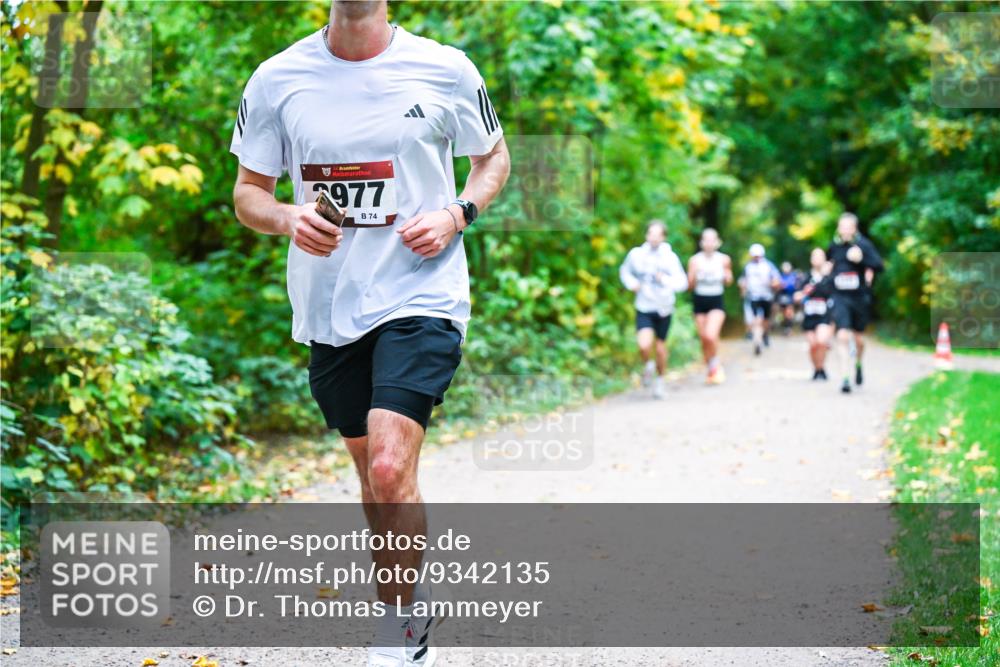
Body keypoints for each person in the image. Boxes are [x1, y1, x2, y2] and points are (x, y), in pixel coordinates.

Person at [230, 2, 511, 664]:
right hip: (329, 306)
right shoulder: (276, 77)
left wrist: (457, 212)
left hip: (422, 290)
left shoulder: (445, 69)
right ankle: (407, 582)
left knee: (389, 463)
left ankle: (400, 628)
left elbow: (493, 158)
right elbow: (248, 192)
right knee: (373, 472)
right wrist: (287, 218)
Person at [619, 220, 688, 399]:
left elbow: (682, 283)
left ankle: (660, 382)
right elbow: (624, 272)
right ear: (646, 235)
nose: (654, 238)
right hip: (644, 306)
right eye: (651, 234)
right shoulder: (636, 255)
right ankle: (648, 365)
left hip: (664, 307)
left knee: (660, 348)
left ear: (664, 237)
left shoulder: (670, 258)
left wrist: (664, 279)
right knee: (644, 345)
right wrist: (632, 284)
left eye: (658, 235)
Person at [827, 212, 883, 394]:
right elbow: (829, 267)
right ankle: (845, 378)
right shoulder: (833, 247)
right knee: (842, 336)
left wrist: (862, 259)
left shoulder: (863, 245)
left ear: (854, 228)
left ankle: (858, 364)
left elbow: (879, 265)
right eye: (841, 226)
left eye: (848, 227)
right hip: (840, 297)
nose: (844, 230)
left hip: (859, 298)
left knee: (859, 340)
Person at [687, 228, 733, 384]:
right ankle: (711, 369)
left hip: (716, 300)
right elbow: (689, 286)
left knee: (710, 335)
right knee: (703, 339)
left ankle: (715, 364)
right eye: (706, 240)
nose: (709, 243)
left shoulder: (724, 259)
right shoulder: (695, 260)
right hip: (699, 300)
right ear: (701, 242)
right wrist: (693, 276)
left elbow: (729, 281)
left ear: (717, 242)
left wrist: (727, 276)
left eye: (712, 240)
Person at [795, 248, 835, 380]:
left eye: (820, 256)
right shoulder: (805, 277)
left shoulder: (830, 277)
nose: (817, 259)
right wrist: (802, 294)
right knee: (813, 345)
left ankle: (822, 366)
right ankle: (817, 369)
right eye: (815, 256)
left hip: (825, 314)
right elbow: (796, 296)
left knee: (821, 341)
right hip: (809, 315)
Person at [738, 243, 781, 356]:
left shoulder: (769, 266)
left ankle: (765, 334)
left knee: (765, 320)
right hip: (753, 296)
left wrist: (774, 284)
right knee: (757, 319)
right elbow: (743, 281)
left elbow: (777, 280)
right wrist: (743, 291)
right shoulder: (748, 267)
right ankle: (757, 341)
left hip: (767, 296)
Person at [777, 261, 800, 335]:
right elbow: (778, 285)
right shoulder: (780, 276)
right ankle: (785, 327)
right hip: (782, 296)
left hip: (790, 296)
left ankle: (789, 328)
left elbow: (794, 285)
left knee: (789, 312)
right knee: (784, 313)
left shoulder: (793, 276)